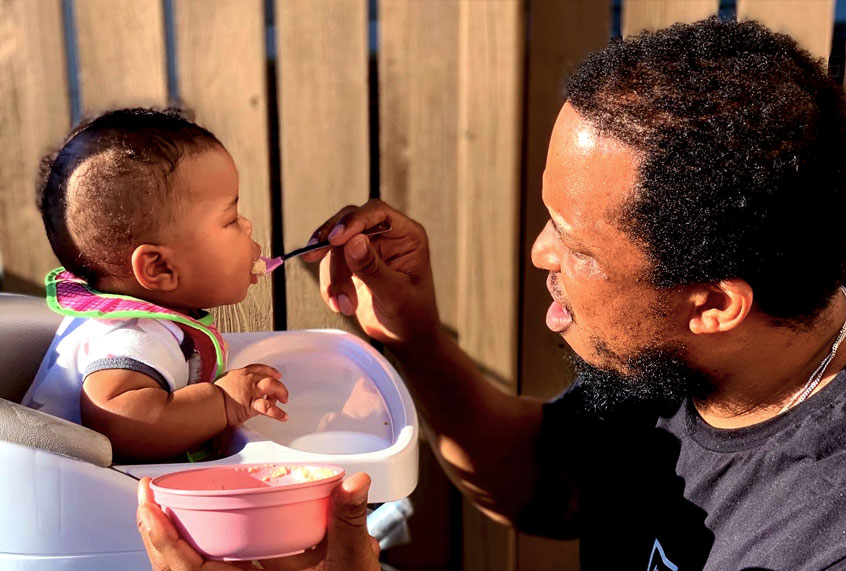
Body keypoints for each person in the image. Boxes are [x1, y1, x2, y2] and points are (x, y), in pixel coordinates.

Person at [141, 16, 846, 570]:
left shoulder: (818, 536)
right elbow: (550, 484)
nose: (541, 252)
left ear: (715, 304)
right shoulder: (682, 355)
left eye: (577, 246)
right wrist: (413, 340)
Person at [22, 108, 289, 462]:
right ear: (160, 267)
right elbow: (119, 419)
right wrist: (223, 403)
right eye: (230, 220)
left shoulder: (141, 313)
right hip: (79, 504)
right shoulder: (134, 335)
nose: (248, 225)